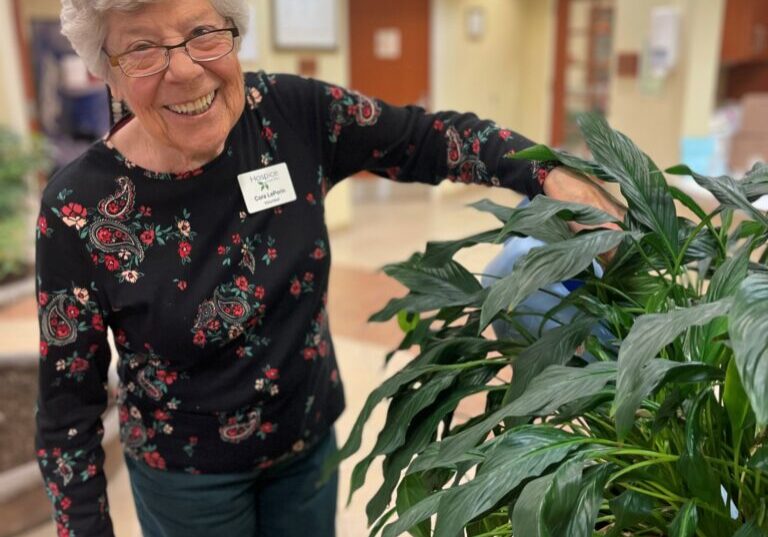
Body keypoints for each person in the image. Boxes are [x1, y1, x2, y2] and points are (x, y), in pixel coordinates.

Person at [36, 1, 624, 536]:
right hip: (188, 479)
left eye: (202, 33)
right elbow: (68, 408)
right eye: (142, 48)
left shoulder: (290, 115)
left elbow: (429, 138)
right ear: (107, 69)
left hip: (308, 440)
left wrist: (549, 175)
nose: (186, 69)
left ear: (233, 32)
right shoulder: (79, 208)